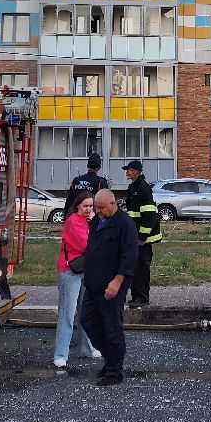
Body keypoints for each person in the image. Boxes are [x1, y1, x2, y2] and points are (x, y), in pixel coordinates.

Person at [79, 188, 139, 386]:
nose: (98, 211)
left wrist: (118, 281)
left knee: (112, 327)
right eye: (96, 208)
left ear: (113, 204)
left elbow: (130, 257)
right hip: (93, 283)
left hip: (113, 284)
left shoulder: (125, 224)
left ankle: (114, 371)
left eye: (102, 208)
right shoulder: (97, 220)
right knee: (88, 321)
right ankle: (109, 358)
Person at [53, 194, 102, 369]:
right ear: (77, 206)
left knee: (86, 311)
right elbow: (87, 244)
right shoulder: (73, 222)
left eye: (91, 206)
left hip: (84, 269)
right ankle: (60, 355)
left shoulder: (89, 221)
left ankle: (88, 348)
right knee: (67, 314)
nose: (89, 209)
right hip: (70, 272)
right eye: (85, 206)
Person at [121, 159, 162, 308]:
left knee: (142, 270)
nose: (127, 172)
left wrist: (142, 237)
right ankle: (136, 296)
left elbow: (149, 214)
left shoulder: (143, 188)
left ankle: (143, 298)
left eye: (130, 170)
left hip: (143, 239)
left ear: (137, 171)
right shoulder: (134, 187)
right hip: (136, 236)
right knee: (135, 268)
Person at [64, 154, 108, 218]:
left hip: (77, 217)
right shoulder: (101, 182)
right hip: (93, 218)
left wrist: (66, 218)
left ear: (87, 166)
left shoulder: (76, 181)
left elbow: (69, 202)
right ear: (99, 168)